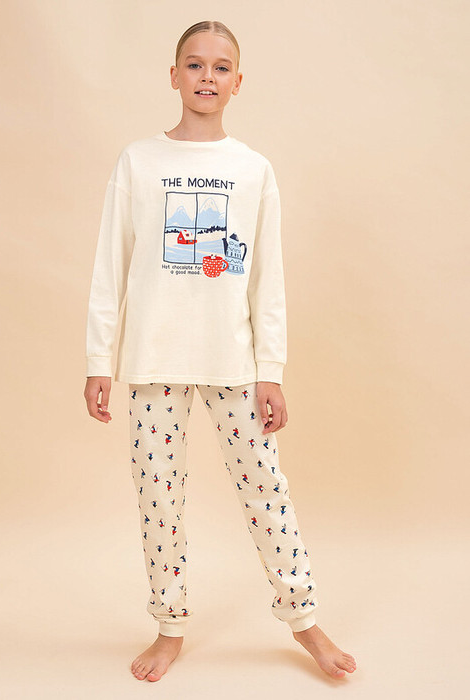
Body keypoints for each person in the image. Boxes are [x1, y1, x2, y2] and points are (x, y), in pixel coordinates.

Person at [84, 19, 356, 683]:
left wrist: (271, 370)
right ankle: (169, 625)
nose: (207, 76)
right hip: (152, 361)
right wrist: (99, 360)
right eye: (194, 64)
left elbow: (266, 278)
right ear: (173, 75)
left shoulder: (252, 170)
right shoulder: (138, 162)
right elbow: (109, 267)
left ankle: (304, 619)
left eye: (220, 66)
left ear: (238, 82)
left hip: (232, 360)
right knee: (158, 496)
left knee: (265, 489)